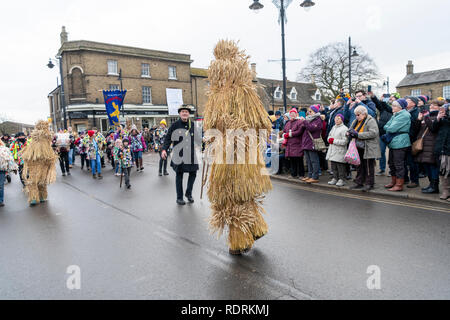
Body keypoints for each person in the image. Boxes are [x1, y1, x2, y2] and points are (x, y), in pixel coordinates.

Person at [162, 105, 199, 205]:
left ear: (188, 114)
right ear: (179, 113)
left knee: (193, 173)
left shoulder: (193, 124)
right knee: (179, 175)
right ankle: (179, 197)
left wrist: (205, 143)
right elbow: (168, 138)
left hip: (190, 154)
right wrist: (164, 150)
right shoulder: (174, 125)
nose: (184, 113)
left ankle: (188, 193)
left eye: (186, 112)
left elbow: (197, 138)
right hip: (179, 154)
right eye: (183, 111)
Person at [21, 121, 58, 206]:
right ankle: (34, 197)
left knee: (42, 179)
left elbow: (49, 139)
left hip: (44, 160)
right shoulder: (38, 137)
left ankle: (41, 196)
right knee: (34, 180)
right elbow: (28, 155)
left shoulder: (46, 137)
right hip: (35, 161)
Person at [347, 106, 381, 192]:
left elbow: (373, 133)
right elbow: (350, 130)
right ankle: (359, 182)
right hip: (358, 146)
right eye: (355, 115)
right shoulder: (355, 121)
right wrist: (348, 133)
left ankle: (369, 183)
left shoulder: (371, 120)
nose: (356, 117)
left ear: (364, 114)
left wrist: (358, 135)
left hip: (368, 147)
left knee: (369, 166)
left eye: (358, 115)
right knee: (359, 165)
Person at [413, 100, 443, 194]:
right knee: (427, 165)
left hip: (433, 145)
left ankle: (435, 187)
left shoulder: (439, 117)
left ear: (439, 107)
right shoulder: (428, 116)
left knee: (432, 166)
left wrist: (426, 117)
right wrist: (418, 120)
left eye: (435, 105)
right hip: (424, 145)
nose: (432, 107)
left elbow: (433, 128)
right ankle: (431, 185)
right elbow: (416, 130)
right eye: (431, 105)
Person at [382, 99, 411, 192]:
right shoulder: (396, 115)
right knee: (391, 163)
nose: (392, 107)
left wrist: (389, 127)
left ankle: (399, 185)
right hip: (394, 142)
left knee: (399, 164)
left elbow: (391, 128)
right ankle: (393, 182)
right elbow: (386, 126)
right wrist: (389, 127)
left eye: (394, 106)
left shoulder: (404, 115)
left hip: (401, 142)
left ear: (400, 107)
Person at [370, 92, 398, 176]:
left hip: (391, 134)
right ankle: (382, 169)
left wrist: (383, 102)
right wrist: (374, 97)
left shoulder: (395, 110)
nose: (390, 99)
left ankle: (391, 170)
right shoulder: (383, 109)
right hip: (382, 134)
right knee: (381, 152)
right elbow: (378, 104)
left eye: (392, 98)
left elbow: (387, 106)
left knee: (392, 153)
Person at [300, 105, 323, 184]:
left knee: (314, 160)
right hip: (306, 142)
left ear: (315, 112)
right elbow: (303, 128)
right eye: (308, 111)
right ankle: (310, 175)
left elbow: (311, 128)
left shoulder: (318, 120)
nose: (309, 113)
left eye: (310, 111)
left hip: (313, 142)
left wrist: (304, 121)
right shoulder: (309, 119)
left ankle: (315, 176)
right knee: (308, 161)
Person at [432, 103, 450, 201]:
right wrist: (438, 118)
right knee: (443, 172)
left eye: (444, 110)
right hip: (441, 149)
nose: (442, 112)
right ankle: (446, 191)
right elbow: (433, 129)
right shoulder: (442, 120)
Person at [326, 114, 348, 187]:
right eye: (336, 118)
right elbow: (329, 136)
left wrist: (334, 141)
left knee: (340, 166)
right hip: (332, 150)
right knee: (333, 166)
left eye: (338, 119)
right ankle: (335, 178)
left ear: (342, 120)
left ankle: (341, 179)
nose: (336, 120)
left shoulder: (344, 128)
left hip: (340, 150)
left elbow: (345, 141)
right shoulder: (333, 127)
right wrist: (329, 140)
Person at [283, 108, 305, 179]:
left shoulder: (299, 122)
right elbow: (284, 131)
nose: (292, 115)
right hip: (290, 144)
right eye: (291, 114)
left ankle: (301, 174)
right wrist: (284, 134)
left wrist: (290, 134)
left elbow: (300, 131)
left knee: (299, 159)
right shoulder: (288, 123)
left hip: (297, 143)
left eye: (293, 114)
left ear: (296, 114)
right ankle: (293, 174)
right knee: (292, 160)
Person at [404, 96, 421, 188]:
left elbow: (416, 128)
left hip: (412, 140)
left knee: (412, 162)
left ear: (413, 103)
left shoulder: (416, 112)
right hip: (405, 139)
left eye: (408, 101)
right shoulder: (406, 111)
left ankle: (414, 181)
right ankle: (405, 178)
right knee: (404, 161)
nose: (406, 101)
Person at [0, 139, 18, 207]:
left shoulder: (4, 149)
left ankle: (0, 201)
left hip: (1, 169)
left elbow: (10, 159)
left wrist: (14, 167)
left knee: (0, 186)